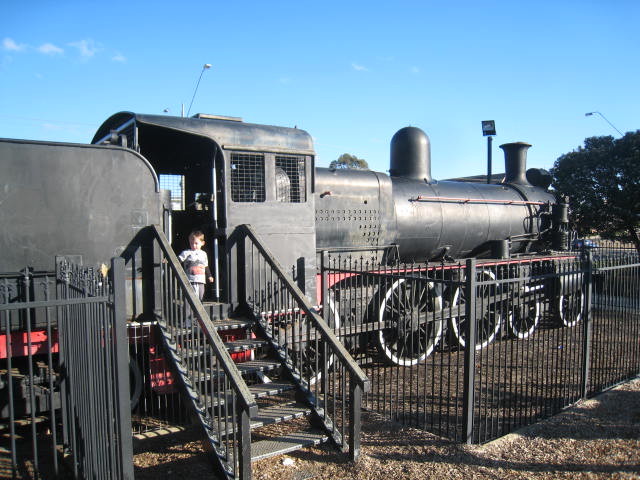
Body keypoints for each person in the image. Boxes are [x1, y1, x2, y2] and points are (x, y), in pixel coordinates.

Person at [178, 230, 214, 301]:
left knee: (201, 297)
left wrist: (209, 275)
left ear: (202, 243)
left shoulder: (204, 254)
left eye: (196, 243)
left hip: (201, 280)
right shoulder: (186, 253)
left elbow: (206, 266)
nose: (194, 245)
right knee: (190, 298)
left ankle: (199, 311)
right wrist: (167, 261)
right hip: (190, 280)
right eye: (191, 243)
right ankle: (189, 311)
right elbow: (178, 260)